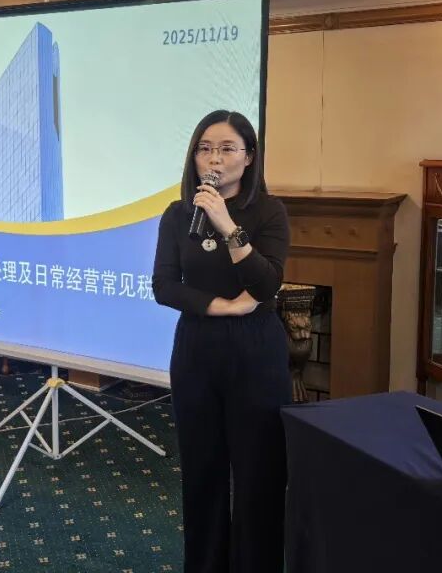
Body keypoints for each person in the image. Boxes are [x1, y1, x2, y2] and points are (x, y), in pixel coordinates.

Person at [152, 109, 291, 572]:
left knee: (260, 475)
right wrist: (222, 306)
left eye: (227, 148)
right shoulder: (178, 215)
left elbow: (266, 283)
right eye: (205, 148)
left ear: (249, 157)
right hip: (197, 348)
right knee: (202, 473)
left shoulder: (269, 212)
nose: (214, 159)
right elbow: (164, 286)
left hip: (256, 351)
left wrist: (227, 224)